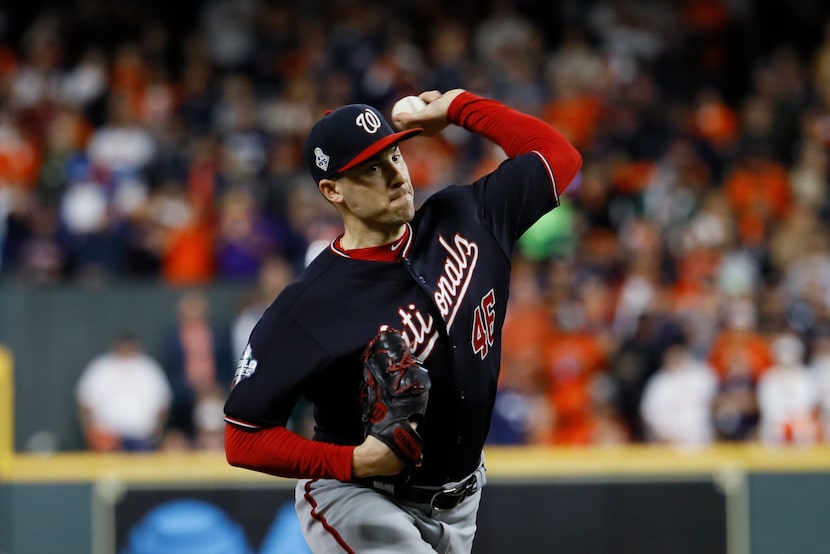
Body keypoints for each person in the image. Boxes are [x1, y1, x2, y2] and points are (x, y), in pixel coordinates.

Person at [223, 88, 581, 552]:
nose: (396, 175)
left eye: (394, 155)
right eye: (371, 168)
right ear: (333, 191)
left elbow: (559, 157)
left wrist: (457, 107)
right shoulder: (309, 306)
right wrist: (353, 461)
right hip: (358, 499)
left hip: (461, 502)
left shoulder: (467, 216)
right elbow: (243, 439)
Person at [76, 332, 172, 452]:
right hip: (107, 438)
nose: (127, 351)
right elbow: (85, 402)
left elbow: (163, 403)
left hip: (142, 438)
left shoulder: (149, 368)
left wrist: (157, 430)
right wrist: (90, 432)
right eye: (123, 347)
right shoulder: (101, 367)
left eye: (130, 347)